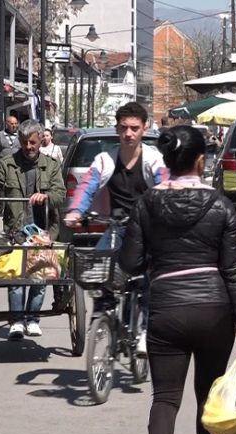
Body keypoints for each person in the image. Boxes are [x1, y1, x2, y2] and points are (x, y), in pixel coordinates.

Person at [119, 125, 236, 434]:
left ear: (168, 161)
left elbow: (129, 262)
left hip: (167, 311)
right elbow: (233, 270)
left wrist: (155, 264)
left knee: (165, 399)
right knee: (208, 396)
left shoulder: (146, 203)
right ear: (201, 161)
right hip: (215, 312)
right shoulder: (221, 205)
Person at [64, 101, 167, 355]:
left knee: (149, 278)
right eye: (123, 128)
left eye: (134, 128)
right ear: (117, 129)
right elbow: (86, 186)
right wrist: (76, 212)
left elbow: (164, 187)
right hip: (117, 226)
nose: (128, 134)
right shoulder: (104, 159)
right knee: (98, 268)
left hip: (149, 228)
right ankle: (103, 314)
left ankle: (144, 329)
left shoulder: (154, 159)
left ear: (145, 128)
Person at [0, 120, 66, 340]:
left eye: (32, 143)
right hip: (16, 230)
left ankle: (32, 319)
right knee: (16, 277)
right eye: (24, 143)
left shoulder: (51, 165)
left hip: (43, 231)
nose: (28, 147)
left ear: (40, 140)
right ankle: (16, 321)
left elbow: (60, 194)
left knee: (38, 277)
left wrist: (46, 197)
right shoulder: (8, 164)